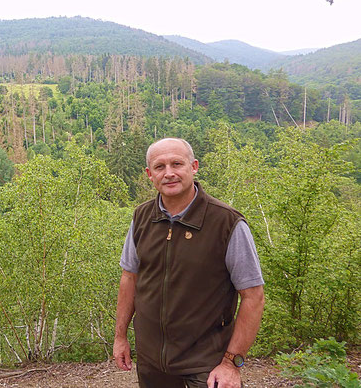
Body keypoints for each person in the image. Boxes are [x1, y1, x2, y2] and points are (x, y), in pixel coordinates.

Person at [113, 138, 265, 388]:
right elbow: (129, 277)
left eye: (177, 164)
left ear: (193, 167)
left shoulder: (226, 223)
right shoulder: (142, 217)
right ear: (149, 175)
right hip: (152, 362)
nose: (169, 173)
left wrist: (231, 363)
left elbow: (254, 296)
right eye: (160, 167)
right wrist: (120, 337)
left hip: (206, 364)